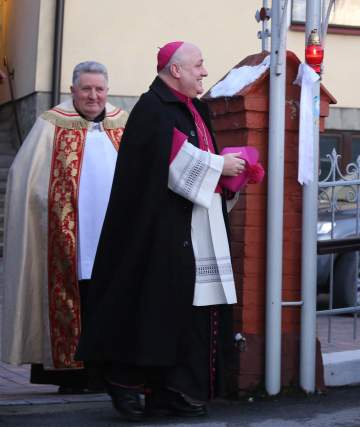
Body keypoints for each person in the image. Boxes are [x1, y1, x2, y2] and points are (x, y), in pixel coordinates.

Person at [75, 41, 246, 421]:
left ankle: (174, 390)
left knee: (187, 313)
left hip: (190, 228)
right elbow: (172, 164)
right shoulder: (152, 111)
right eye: (198, 65)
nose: (204, 72)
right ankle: (128, 384)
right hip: (152, 234)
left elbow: (194, 163)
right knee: (149, 309)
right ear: (175, 70)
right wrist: (219, 167)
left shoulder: (195, 109)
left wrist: (226, 176)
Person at [1, 62, 128, 393]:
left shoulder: (121, 123)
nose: (93, 96)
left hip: (114, 237)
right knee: (71, 302)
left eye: (99, 89)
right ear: (72, 91)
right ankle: (69, 378)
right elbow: (24, 176)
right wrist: (48, 202)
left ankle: (106, 376)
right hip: (66, 235)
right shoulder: (50, 124)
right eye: (86, 88)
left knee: (108, 303)